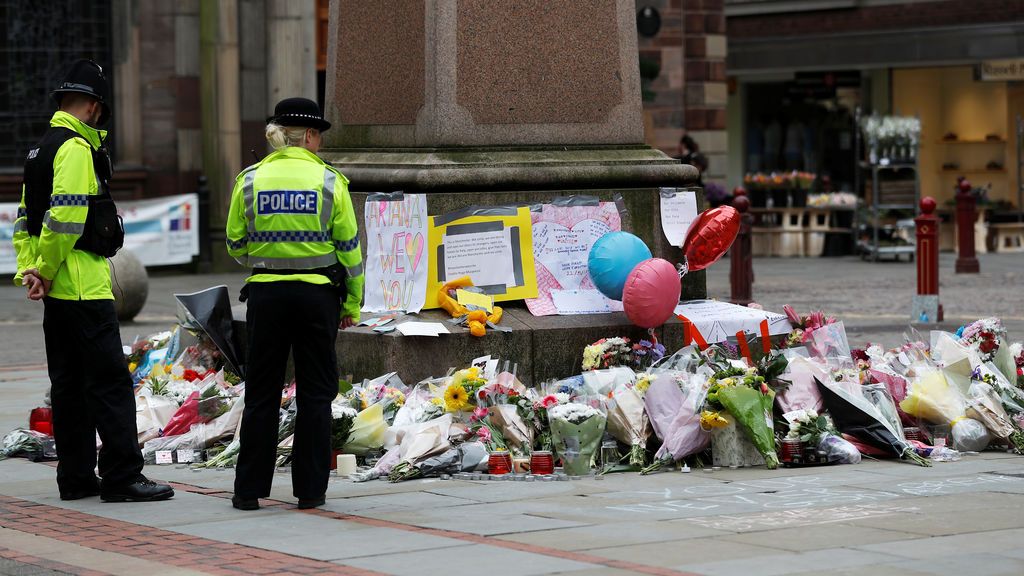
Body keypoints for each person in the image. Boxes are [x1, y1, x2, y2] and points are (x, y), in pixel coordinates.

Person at [12, 59, 173, 503]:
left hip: (58, 294)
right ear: (94, 107)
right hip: (83, 286)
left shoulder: (40, 148)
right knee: (108, 384)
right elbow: (65, 217)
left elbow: (25, 219)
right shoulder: (76, 149)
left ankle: (77, 477)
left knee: (68, 387)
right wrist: (44, 268)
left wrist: (31, 269)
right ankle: (123, 477)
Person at [226, 97, 364, 511]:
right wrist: (351, 303)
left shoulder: (249, 180)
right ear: (307, 136)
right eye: (318, 135)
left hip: (266, 297)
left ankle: (248, 491)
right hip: (317, 298)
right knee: (316, 395)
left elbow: (235, 244)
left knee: (262, 394)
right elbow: (350, 251)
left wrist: (267, 259)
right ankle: (310, 491)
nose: (320, 143)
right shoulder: (329, 182)